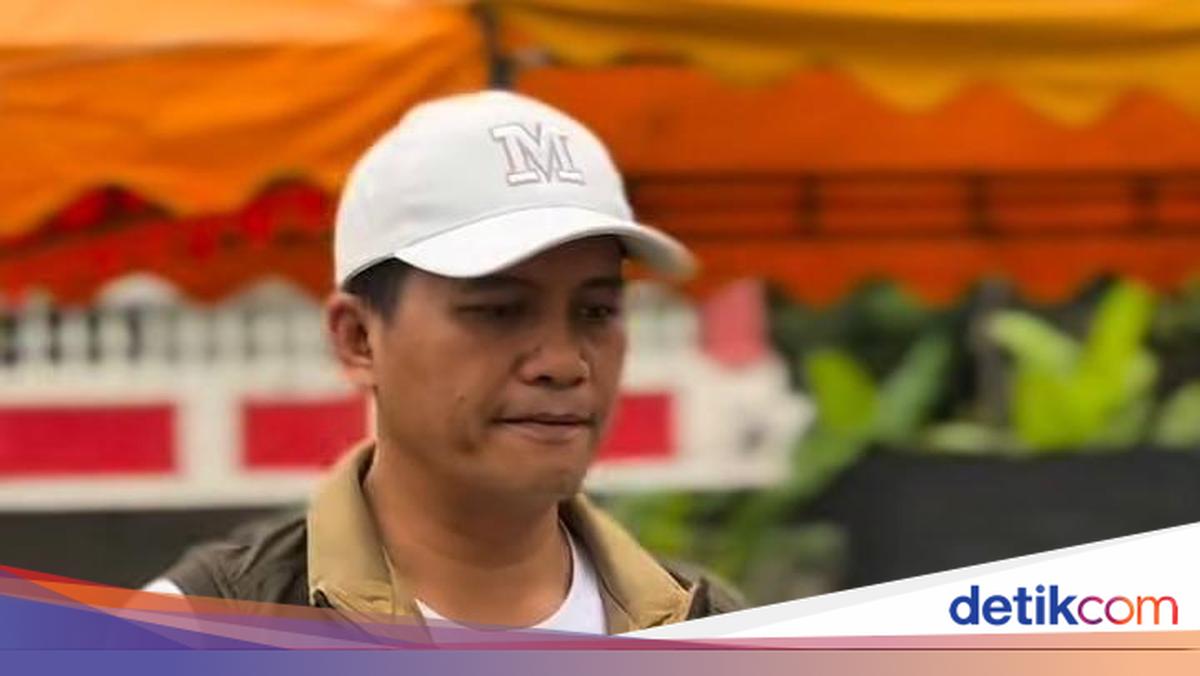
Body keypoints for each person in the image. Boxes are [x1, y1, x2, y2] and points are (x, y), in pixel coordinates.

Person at [145, 91, 743, 635]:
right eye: (500, 311)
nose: (563, 363)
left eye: (595, 311)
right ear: (358, 339)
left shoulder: (711, 629)